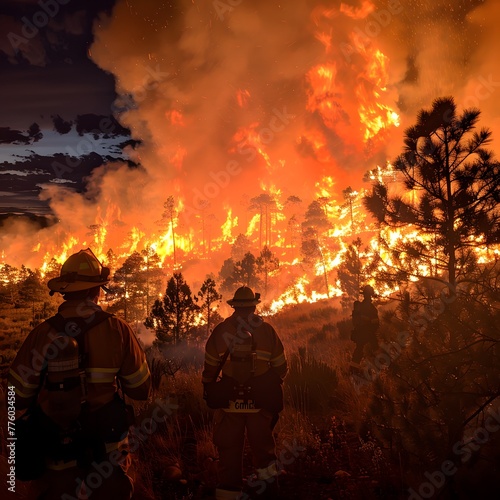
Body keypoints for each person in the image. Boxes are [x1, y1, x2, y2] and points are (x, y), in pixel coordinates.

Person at [8, 248, 151, 499]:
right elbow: (141, 390)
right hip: (107, 449)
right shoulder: (118, 329)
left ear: (65, 291)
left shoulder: (42, 334)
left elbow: (17, 397)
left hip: (58, 449)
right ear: (96, 290)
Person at [202, 286, 288, 500]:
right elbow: (281, 368)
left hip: (230, 404)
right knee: (264, 453)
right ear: (253, 307)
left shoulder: (221, 331)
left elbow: (210, 371)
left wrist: (211, 388)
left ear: (234, 307)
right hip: (259, 403)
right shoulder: (267, 331)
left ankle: (228, 495)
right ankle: (268, 493)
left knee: (228, 454)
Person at [351, 284, 379, 366]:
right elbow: (376, 323)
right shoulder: (369, 308)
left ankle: (354, 369)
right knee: (372, 350)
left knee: (360, 351)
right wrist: (370, 322)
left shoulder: (362, 306)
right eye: (368, 295)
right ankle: (354, 369)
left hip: (364, 333)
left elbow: (376, 322)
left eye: (369, 295)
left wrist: (369, 321)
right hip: (366, 333)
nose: (369, 298)